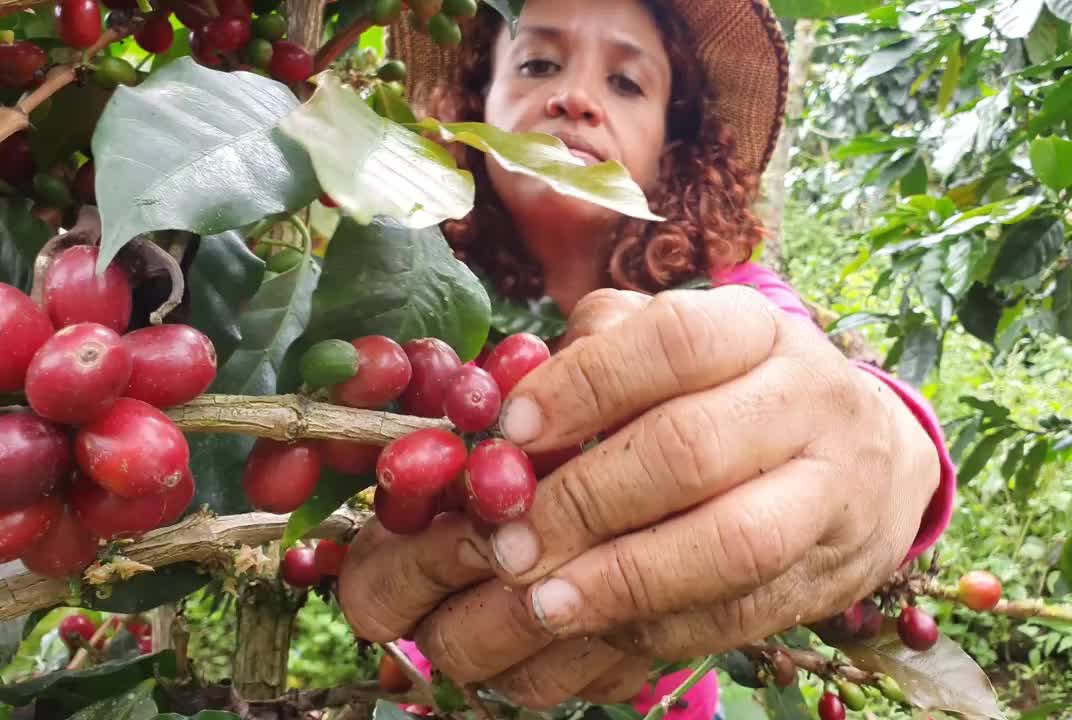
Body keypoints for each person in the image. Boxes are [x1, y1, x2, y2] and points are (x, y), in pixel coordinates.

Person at [336, 0, 958, 716]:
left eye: (627, 83)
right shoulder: (415, 288)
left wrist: (887, 451)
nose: (575, 97)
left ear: (672, 148)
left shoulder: (722, 296)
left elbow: (826, 389)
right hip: (441, 692)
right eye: (538, 64)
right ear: (473, 108)